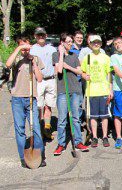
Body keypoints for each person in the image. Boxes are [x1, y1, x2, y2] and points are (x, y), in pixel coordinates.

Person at [6, 37, 46, 168]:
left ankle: (39, 155)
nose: (25, 49)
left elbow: (39, 79)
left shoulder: (35, 59)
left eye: (27, 46)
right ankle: (23, 157)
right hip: (17, 98)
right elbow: (7, 64)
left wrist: (33, 64)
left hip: (31, 98)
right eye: (22, 46)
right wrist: (18, 49)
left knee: (35, 128)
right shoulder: (16, 59)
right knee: (20, 129)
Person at [52, 33, 89, 156]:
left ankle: (78, 142)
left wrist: (68, 67)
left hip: (75, 89)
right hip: (63, 90)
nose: (70, 43)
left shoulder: (74, 56)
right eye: (68, 41)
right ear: (62, 43)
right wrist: (62, 54)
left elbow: (79, 71)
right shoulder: (56, 55)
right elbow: (58, 70)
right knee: (62, 119)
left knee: (75, 118)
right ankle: (61, 144)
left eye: (71, 41)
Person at [81, 35, 113, 148]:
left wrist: (111, 90)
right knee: (93, 116)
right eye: (94, 42)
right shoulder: (87, 57)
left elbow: (109, 75)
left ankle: (104, 136)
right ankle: (94, 136)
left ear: (101, 43)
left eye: (98, 42)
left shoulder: (106, 58)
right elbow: (82, 72)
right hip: (91, 91)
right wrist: (85, 76)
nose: (96, 44)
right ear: (90, 43)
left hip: (104, 90)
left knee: (104, 116)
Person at [30, 27, 57, 140]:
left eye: (42, 35)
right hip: (38, 81)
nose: (41, 37)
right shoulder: (32, 49)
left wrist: (55, 73)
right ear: (35, 36)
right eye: (38, 35)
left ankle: (47, 127)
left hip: (50, 79)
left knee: (49, 105)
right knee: (38, 105)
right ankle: (39, 128)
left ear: (46, 36)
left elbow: (56, 63)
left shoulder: (52, 49)